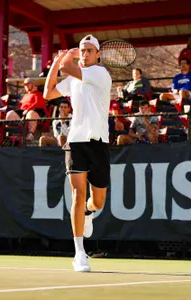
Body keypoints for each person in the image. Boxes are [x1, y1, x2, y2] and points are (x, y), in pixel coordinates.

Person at [43, 34, 112, 272]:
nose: (85, 54)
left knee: (98, 200)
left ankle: (89, 212)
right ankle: (79, 253)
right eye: (83, 51)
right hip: (76, 142)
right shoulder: (73, 79)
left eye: (89, 51)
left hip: (99, 142)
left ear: (98, 54)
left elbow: (66, 66)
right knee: (77, 193)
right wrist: (54, 63)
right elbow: (48, 93)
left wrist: (67, 56)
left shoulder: (100, 73)